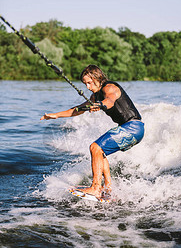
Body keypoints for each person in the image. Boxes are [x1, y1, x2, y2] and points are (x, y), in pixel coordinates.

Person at [40, 65, 144, 198]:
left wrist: (100, 105)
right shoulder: (95, 97)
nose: (88, 87)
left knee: (95, 147)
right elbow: (78, 109)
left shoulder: (109, 87)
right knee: (100, 152)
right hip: (131, 129)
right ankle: (108, 188)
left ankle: (96, 187)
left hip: (133, 127)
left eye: (89, 82)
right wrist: (55, 115)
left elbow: (110, 101)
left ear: (97, 77)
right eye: (85, 84)